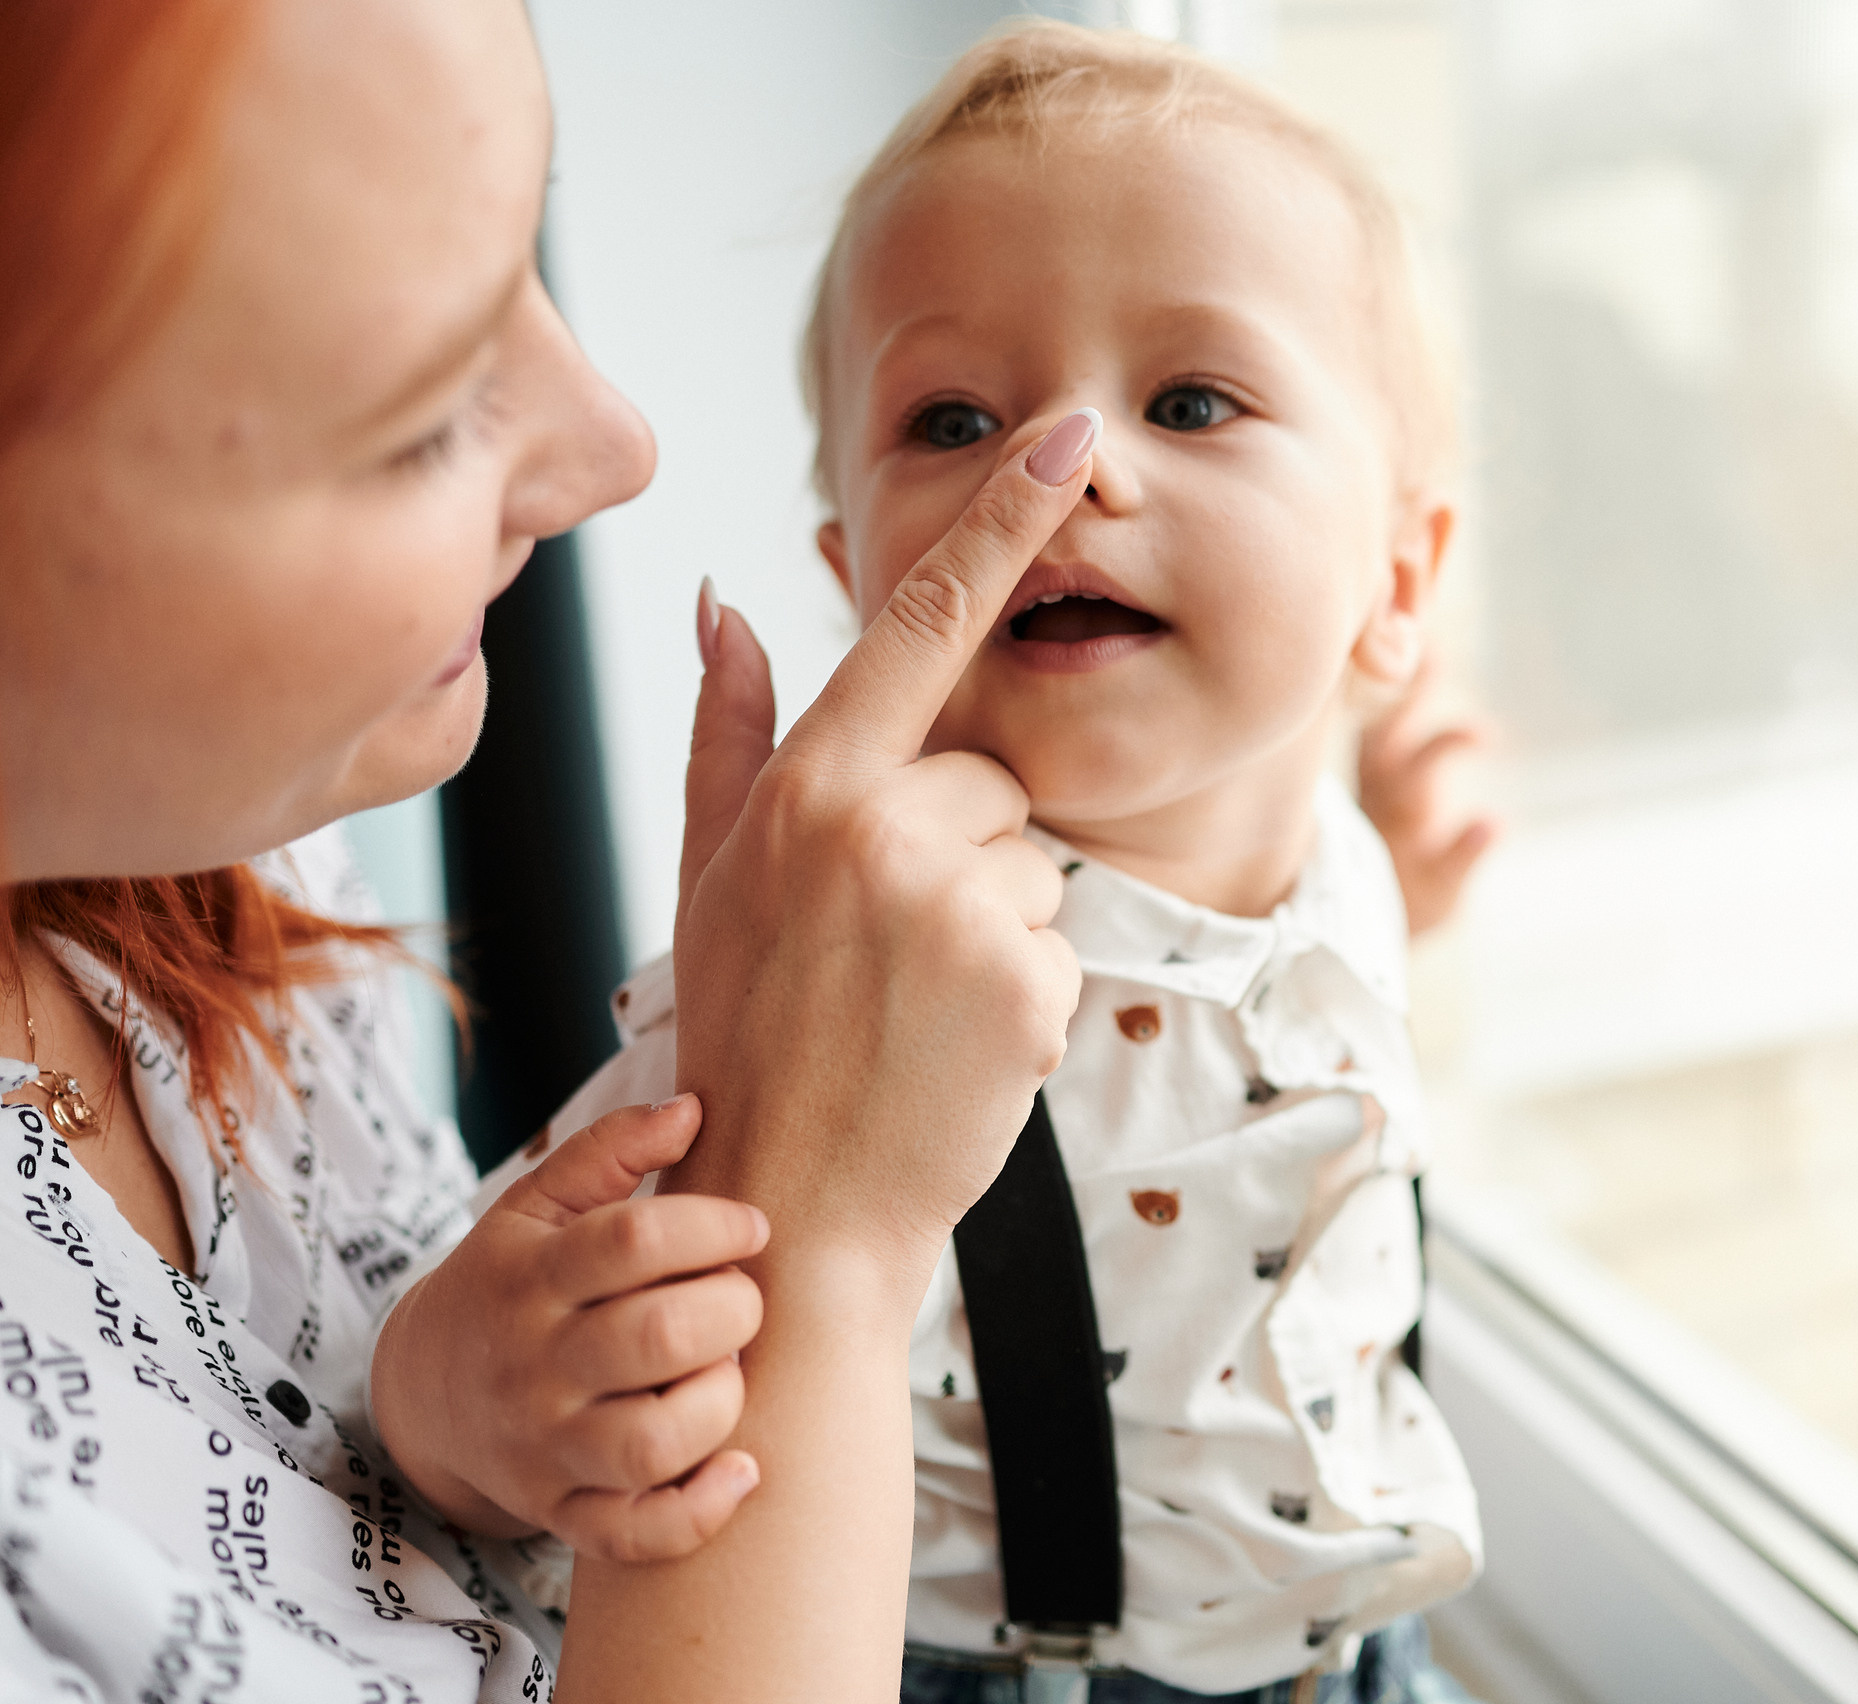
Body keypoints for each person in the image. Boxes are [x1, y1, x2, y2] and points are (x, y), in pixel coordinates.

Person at [0, 1, 1105, 1699]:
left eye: (526, 248)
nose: (616, 449)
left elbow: (389, 1470)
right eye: (426, 405)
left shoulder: (224, 855)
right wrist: (803, 1240)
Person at [528, 26, 1493, 1702]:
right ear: (859, 582)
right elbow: (575, 1273)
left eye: (1190, 400)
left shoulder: (1339, 868)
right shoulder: (870, 956)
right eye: (956, 417)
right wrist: (463, 1384)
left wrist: (1407, 874)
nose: (1069, 471)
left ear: (1397, 585)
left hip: (1357, 1651)